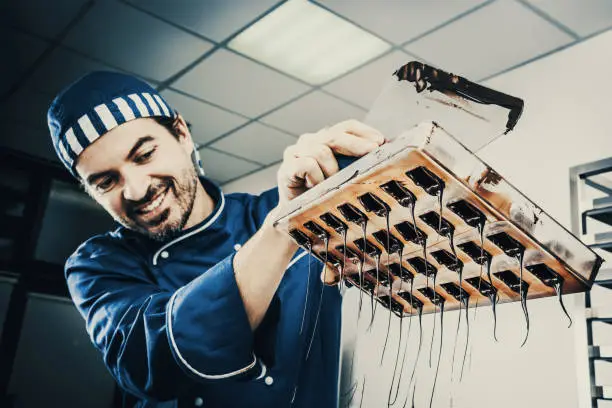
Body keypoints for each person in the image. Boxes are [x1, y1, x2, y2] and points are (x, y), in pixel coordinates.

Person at [47, 71, 385, 407]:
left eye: (145, 154)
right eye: (106, 182)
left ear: (181, 134)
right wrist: (285, 226)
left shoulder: (277, 207)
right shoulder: (98, 264)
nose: (136, 190)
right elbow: (150, 362)